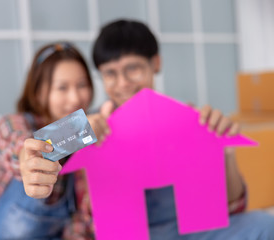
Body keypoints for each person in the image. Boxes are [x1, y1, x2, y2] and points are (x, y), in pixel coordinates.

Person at [22, 20, 274, 239]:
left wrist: (225, 153)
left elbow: (232, 209)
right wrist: (79, 134)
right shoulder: (91, 124)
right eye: (110, 73)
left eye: (133, 68)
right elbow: (39, 149)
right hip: (128, 233)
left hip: (192, 231)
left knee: (264, 224)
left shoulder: (188, 117)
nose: (122, 83)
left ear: (155, 63)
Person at [0, 42, 112, 239]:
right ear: (39, 93)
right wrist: (79, 129)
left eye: (82, 85)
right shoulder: (9, 126)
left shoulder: (87, 141)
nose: (75, 97)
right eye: (62, 87)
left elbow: (78, 223)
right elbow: (25, 151)